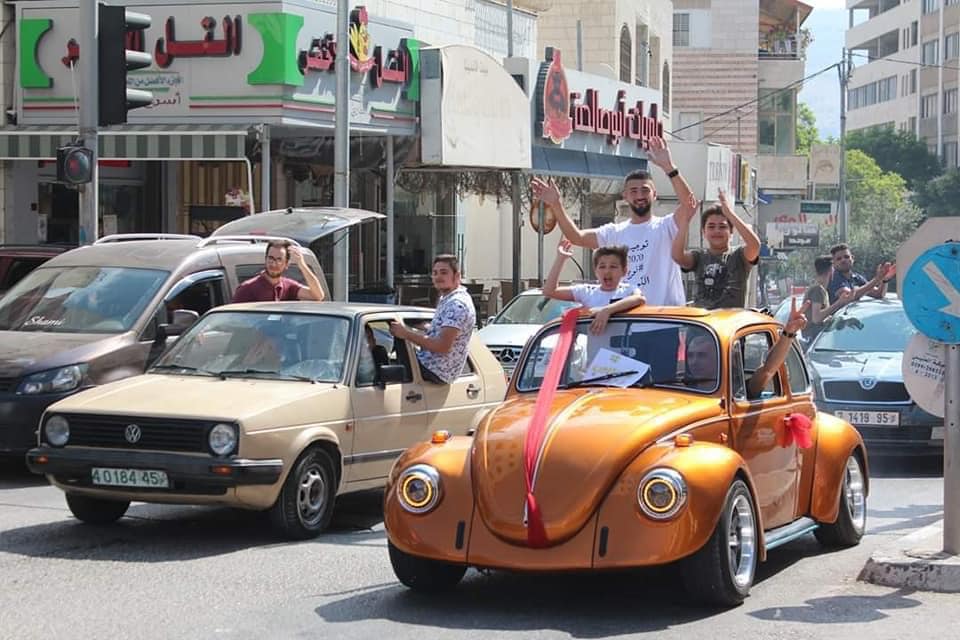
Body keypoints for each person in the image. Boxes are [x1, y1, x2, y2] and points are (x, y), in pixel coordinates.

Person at [530, 136, 694, 306]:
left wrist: (669, 167)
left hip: (664, 321)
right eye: (633, 191)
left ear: (654, 194)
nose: (639, 196)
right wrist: (556, 205)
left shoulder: (666, 226)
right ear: (625, 195)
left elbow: (689, 204)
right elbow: (576, 237)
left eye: (645, 190)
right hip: (626, 321)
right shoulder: (613, 232)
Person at [684, 298, 810, 399]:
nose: (694, 361)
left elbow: (768, 369)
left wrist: (789, 332)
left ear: (718, 360)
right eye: (691, 356)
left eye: (702, 355)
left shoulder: (737, 391)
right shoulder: (681, 387)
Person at [388, 255, 476, 384]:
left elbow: (442, 346)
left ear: (457, 276)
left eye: (444, 273)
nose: (438, 277)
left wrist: (406, 333)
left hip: (435, 371)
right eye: (435, 273)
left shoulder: (457, 304)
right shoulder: (448, 298)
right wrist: (426, 327)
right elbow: (448, 331)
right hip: (430, 365)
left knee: (379, 369)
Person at [671, 189, 761, 308]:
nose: (717, 231)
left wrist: (730, 214)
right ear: (704, 231)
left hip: (731, 323)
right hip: (703, 324)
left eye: (722, 226)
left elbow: (755, 246)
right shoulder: (699, 256)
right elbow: (677, 256)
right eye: (711, 226)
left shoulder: (739, 255)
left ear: (731, 231)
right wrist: (685, 221)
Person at [543, 239, 646, 335]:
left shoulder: (628, 290)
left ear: (624, 271)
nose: (607, 271)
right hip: (594, 353)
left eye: (613, 266)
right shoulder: (586, 291)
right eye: (602, 266)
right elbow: (549, 291)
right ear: (595, 271)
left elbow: (639, 298)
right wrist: (560, 258)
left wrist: (607, 311)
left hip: (621, 352)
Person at [232, 240, 326, 303]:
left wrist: (302, 265)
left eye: (279, 260)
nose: (273, 264)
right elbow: (234, 321)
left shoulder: (288, 287)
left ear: (286, 264)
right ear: (265, 259)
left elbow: (318, 296)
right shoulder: (247, 288)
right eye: (271, 258)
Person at [803, 255, 854, 344]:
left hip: (816, 338)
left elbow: (821, 318)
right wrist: (839, 302)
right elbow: (816, 318)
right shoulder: (818, 289)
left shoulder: (819, 289)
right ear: (831, 270)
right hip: (814, 340)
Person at [826, 243, 895, 305]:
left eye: (846, 257)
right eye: (839, 259)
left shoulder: (856, 277)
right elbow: (850, 296)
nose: (843, 260)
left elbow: (878, 294)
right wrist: (877, 279)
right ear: (833, 263)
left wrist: (885, 279)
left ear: (852, 259)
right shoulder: (833, 278)